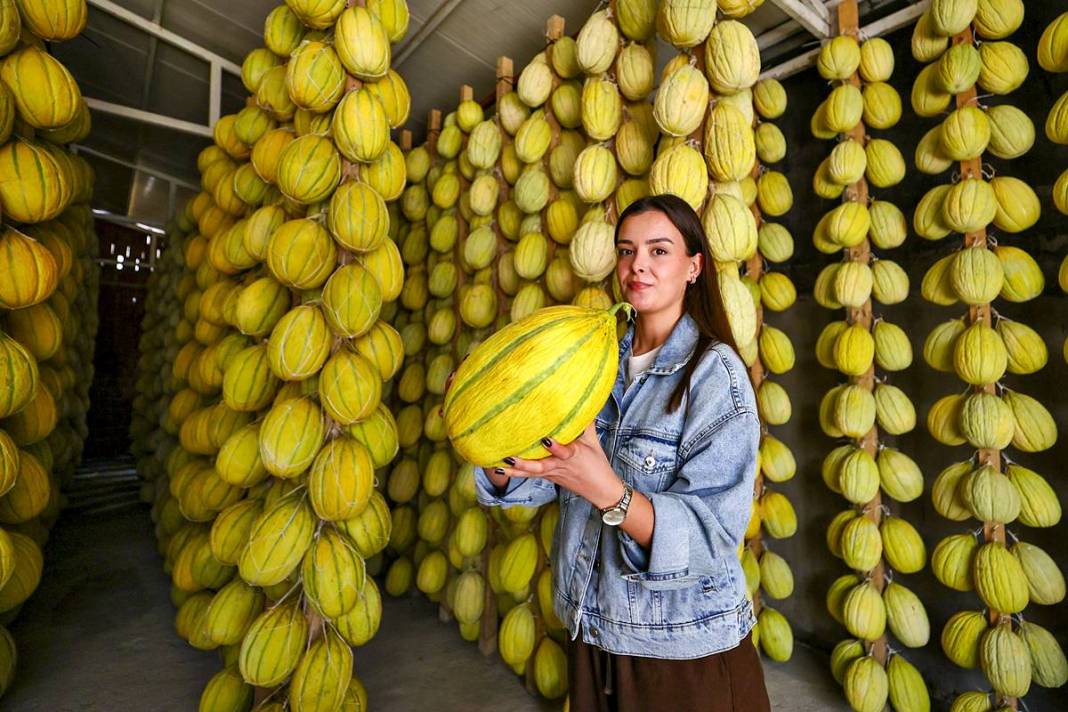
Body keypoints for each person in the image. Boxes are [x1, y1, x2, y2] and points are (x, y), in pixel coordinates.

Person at [473, 193, 771, 711]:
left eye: (659, 251)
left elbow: (714, 536)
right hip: (593, 627)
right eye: (627, 250)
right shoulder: (595, 360)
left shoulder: (716, 375)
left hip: (681, 647)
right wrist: (489, 429)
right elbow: (551, 469)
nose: (639, 266)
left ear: (693, 266)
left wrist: (609, 491)